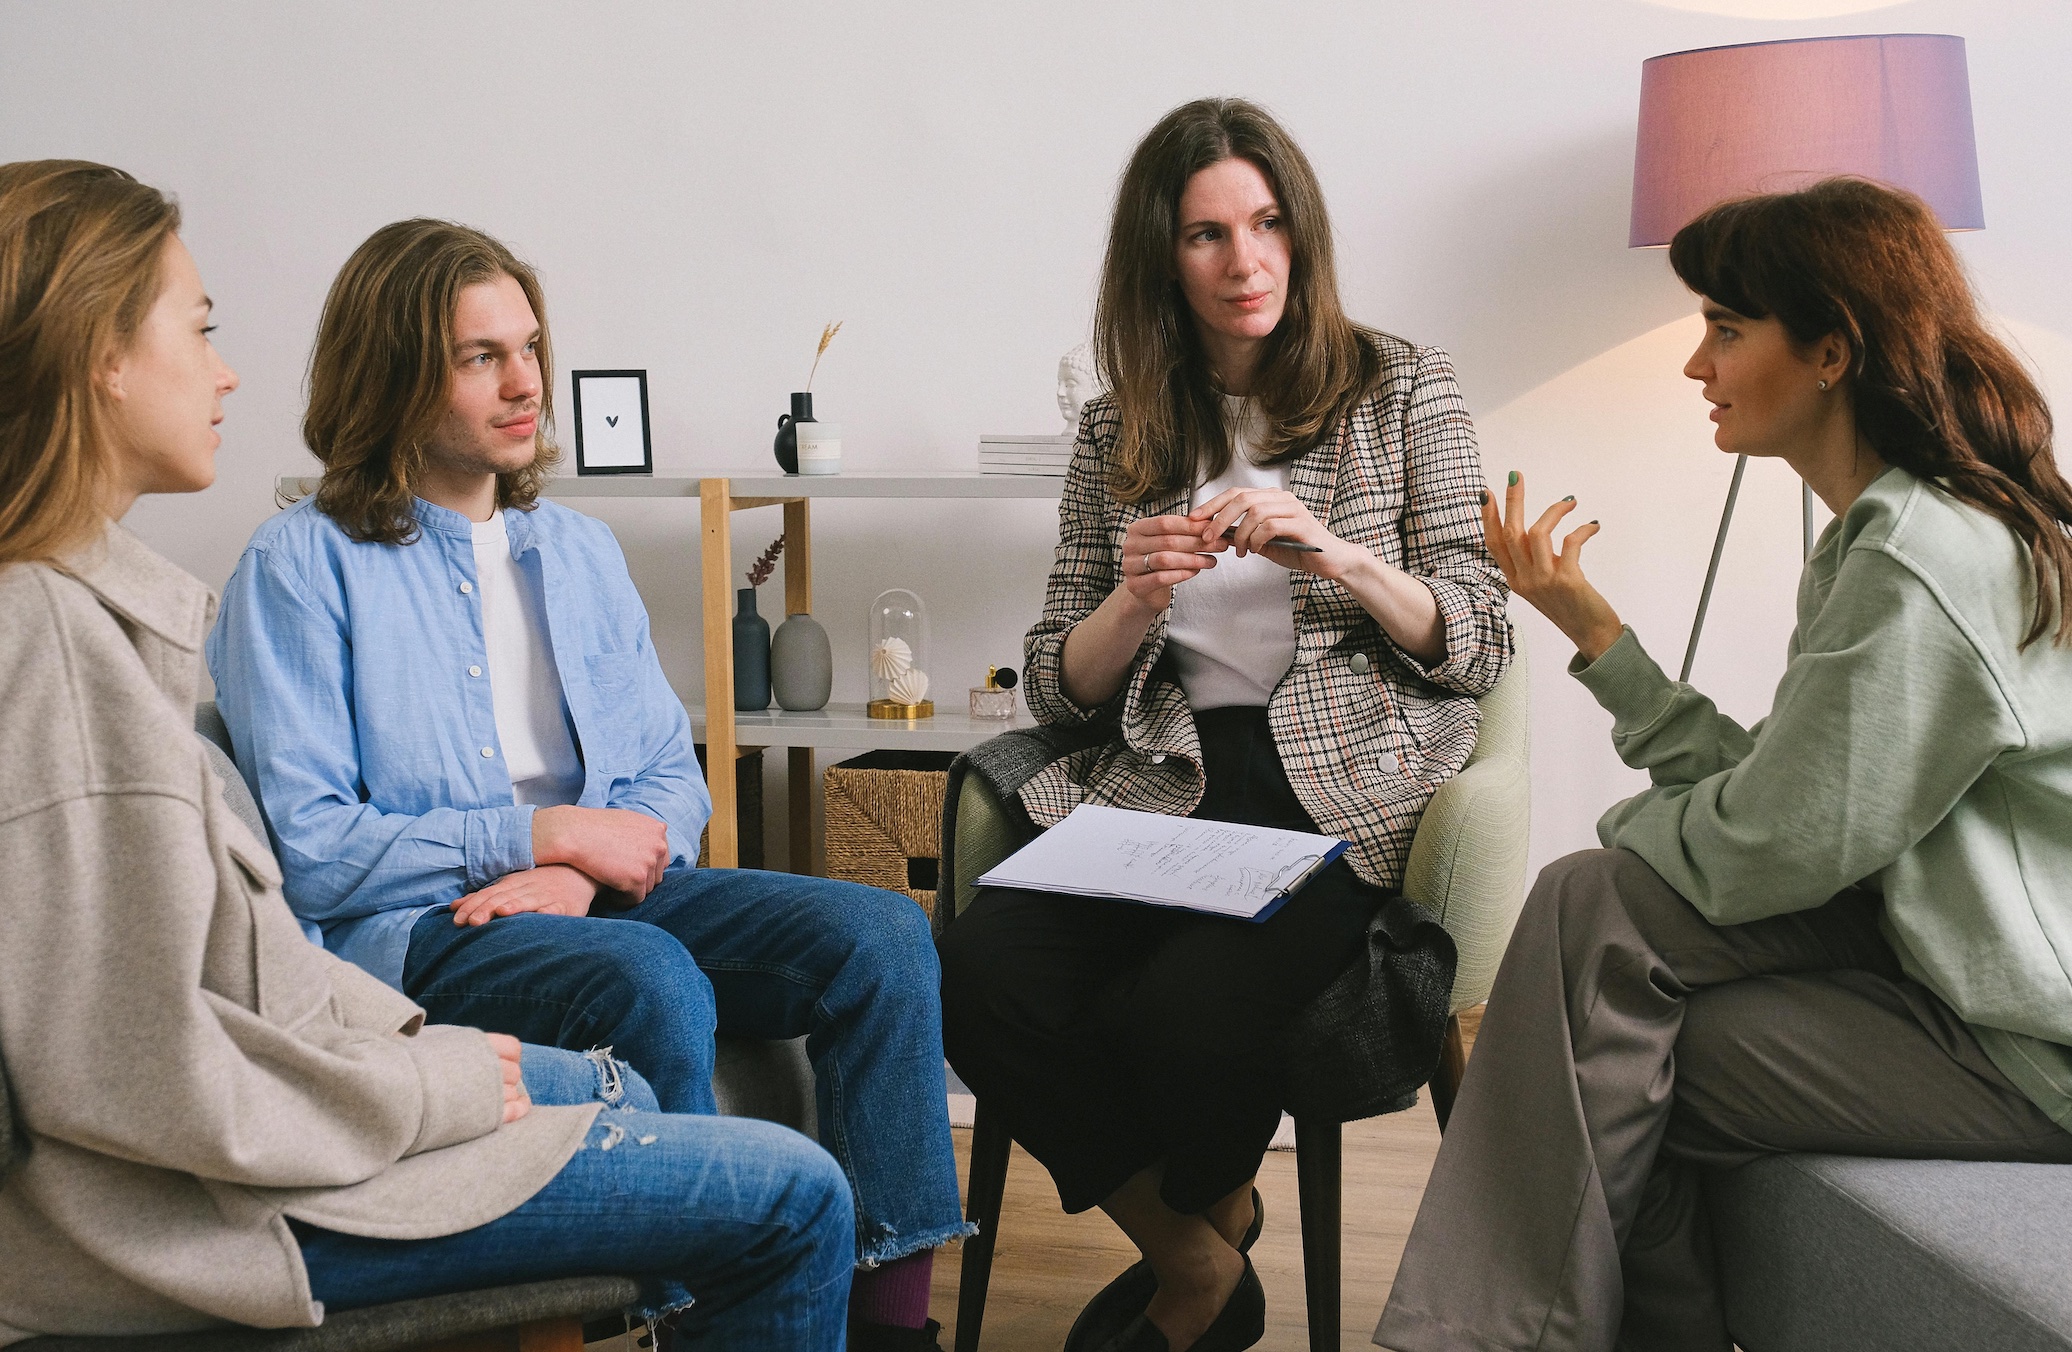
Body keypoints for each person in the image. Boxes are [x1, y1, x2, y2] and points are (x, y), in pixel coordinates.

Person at [0, 158, 852, 1350]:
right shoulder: (62, 646)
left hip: (295, 1108)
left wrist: (430, 1037)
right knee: (787, 1188)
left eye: (529, 347)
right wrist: (428, 1080)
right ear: (101, 356)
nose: (226, 368)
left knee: (820, 963)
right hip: (224, 1218)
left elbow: (237, 980)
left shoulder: (100, 623)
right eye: (199, 328)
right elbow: (143, 1073)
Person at [203, 217, 967, 1350]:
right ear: (392, 373)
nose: (526, 384)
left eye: (529, 348)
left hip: (599, 890)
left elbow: (665, 774)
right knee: (648, 976)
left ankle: (889, 1328)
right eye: (480, 357)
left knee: (881, 937)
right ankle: (689, 1320)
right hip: (426, 929)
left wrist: (583, 867)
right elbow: (313, 847)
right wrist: (540, 838)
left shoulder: (577, 551)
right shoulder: (299, 565)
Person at [1374, 177, 2072, 1352]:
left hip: (2025, 1045)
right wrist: (1600, 637)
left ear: (1830, 352)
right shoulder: (1887, 537)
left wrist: (1625, 829)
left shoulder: (1919, 562)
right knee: (1604, 1003)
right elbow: (1797, 800)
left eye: (1726, 328)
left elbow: (1765, 847)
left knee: (1600, 973)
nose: (1696, 363)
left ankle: (1483, 1335)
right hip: (1938, 965)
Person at [937, 98, 1513, 1352]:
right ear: (1161, 258)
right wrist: (1131, 600)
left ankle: (1202, 1239)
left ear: (1299, 232)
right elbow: (1056, 687)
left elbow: (1479, 633)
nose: (1243, 261)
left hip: (1337, 785)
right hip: (1166, 777)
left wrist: (1338, 556)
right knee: (978, 969)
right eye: (1205, 235)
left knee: (1180, 1008)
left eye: (1264, 225)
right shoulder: (1118, 424)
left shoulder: (1403, 384)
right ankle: (1196, 1249)